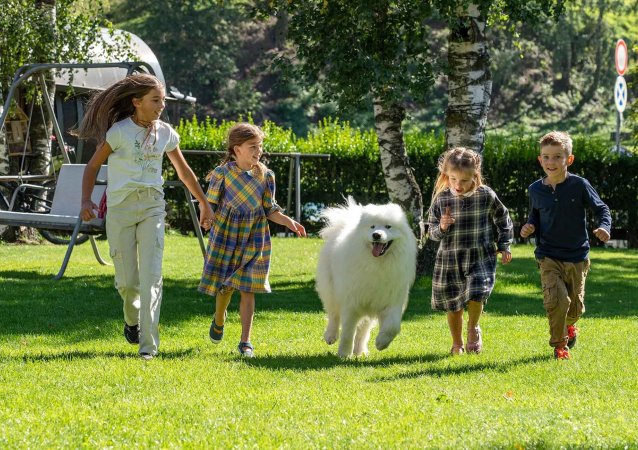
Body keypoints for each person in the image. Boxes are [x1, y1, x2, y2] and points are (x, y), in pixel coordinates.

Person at [75, 73, 214, 360]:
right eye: (156, 100)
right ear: (137, 102)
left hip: (153, 206)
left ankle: (148, 347)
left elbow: (184, 172)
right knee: (128, 283)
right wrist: (86, 200)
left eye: (163, 100)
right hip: (121, 209)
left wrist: (204, 202)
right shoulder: (119, 132)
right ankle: (132, 321)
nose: (161, 105)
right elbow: (91, 167)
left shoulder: (166, 133)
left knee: (152, 277)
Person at [198, 123, 306, 358]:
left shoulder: (266, 175)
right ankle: (219, 318)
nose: (259, 152)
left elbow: (270, 209)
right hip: (226, 235)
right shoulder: (222, 174)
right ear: (237, 149)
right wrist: (206, 218)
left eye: (260, 147)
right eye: (253, 147)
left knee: (248, 288)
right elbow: (210, 204)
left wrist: (289, 222)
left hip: (254, 236)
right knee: (225, 285)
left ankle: (245, 342)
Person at [520, 131, 611, 360]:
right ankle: (560, 346)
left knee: (575, 308)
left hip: (577, 255)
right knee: (557, 301)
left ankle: (570, 326)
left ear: (568, 159)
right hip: (548, 255)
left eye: (557, 157)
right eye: (546, 157)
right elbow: (535, 216)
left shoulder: (579, 185)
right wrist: (529, 226)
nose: (551, 162)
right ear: (540, 159)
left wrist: (604, 227)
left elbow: (602, 209)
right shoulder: (535, 189)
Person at [427, 147, 513, 355]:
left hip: (480, 256)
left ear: (475, 176)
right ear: (447, 175)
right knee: (453, 304)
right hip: (449, 260)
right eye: (453, 179)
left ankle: (473, 327)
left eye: (464, 180)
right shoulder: (441, 199)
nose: (458, 185)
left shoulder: (486, 196)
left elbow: (504, 219)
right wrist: (443, 227)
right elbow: (431, 233)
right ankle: (457, 343)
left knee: (477, 293)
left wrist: (504, 245)